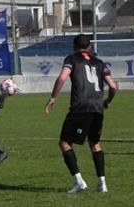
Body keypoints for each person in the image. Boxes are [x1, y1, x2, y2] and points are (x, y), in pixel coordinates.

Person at [45, 34, 118, 193]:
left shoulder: (71, 59)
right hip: (97, 109)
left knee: (65, 143)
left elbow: (62, 78)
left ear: (74, 46)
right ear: (90, 47)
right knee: (95, 143)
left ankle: (79, 181)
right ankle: (102, 184)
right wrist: (108, 101)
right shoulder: (99, 62)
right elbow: (113, 86)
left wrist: (53, 97)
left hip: (80, 108)